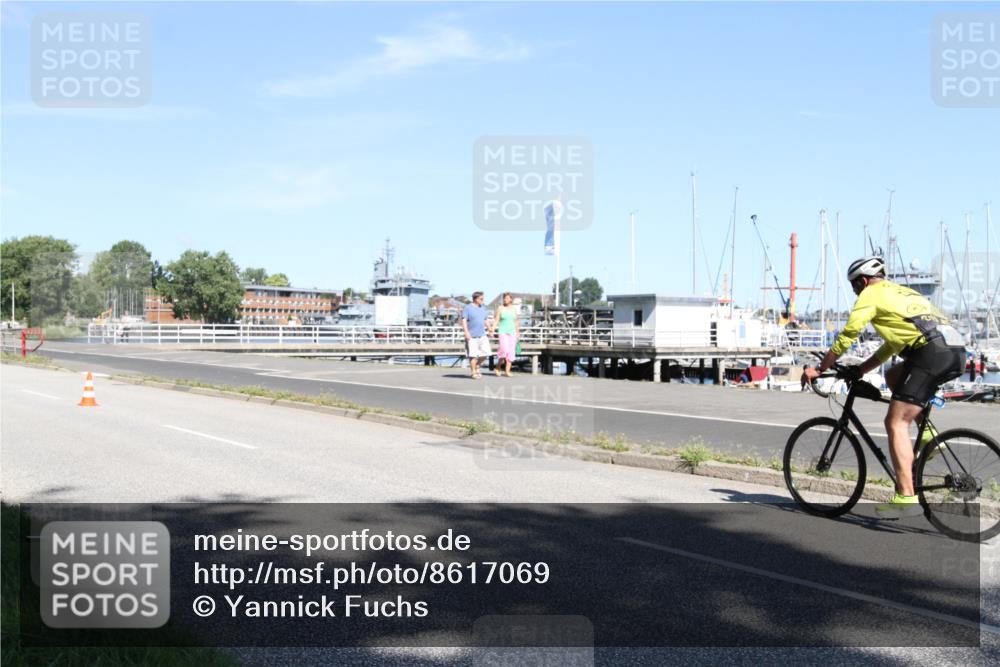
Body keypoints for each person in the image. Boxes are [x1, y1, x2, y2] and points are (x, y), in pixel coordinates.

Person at [802, 256, 966, 518]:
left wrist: (820, 368)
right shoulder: (901, 292)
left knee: (896, 422)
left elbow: (848, 334)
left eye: (854, 286)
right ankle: (928, 437)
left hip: (929, 354)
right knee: (892, 377)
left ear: (863, 281)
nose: (855, 291)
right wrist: (861, 370)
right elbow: (892, 344)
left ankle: (905, 497)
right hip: (954, 352)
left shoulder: (871, 294)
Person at [461, 291, 492, 379]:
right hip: (472, 336)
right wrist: (466, 332)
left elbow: (485, 319)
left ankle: (477, 365)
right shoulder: (468, 308)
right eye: (481, 299)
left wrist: (489, 329)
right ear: (475, 299)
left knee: (486, 353)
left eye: (483, 299)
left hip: (482, 335)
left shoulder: (483, 308)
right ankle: (473, 372)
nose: (482, 300)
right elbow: (464, 321)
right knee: (473, 356)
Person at [493, 292, 519, 377]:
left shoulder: (514, 309)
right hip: (503, 332)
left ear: (511, 299)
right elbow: (496, 320)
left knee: (511, 352)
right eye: (504, 298)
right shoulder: (500, 308)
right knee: (504, 350)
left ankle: (507, 371)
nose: (505, 299)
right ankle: (498, 367)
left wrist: (517, 332)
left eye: (507, 298)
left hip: (512, 332)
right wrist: (492, 329)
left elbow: (516, 321)